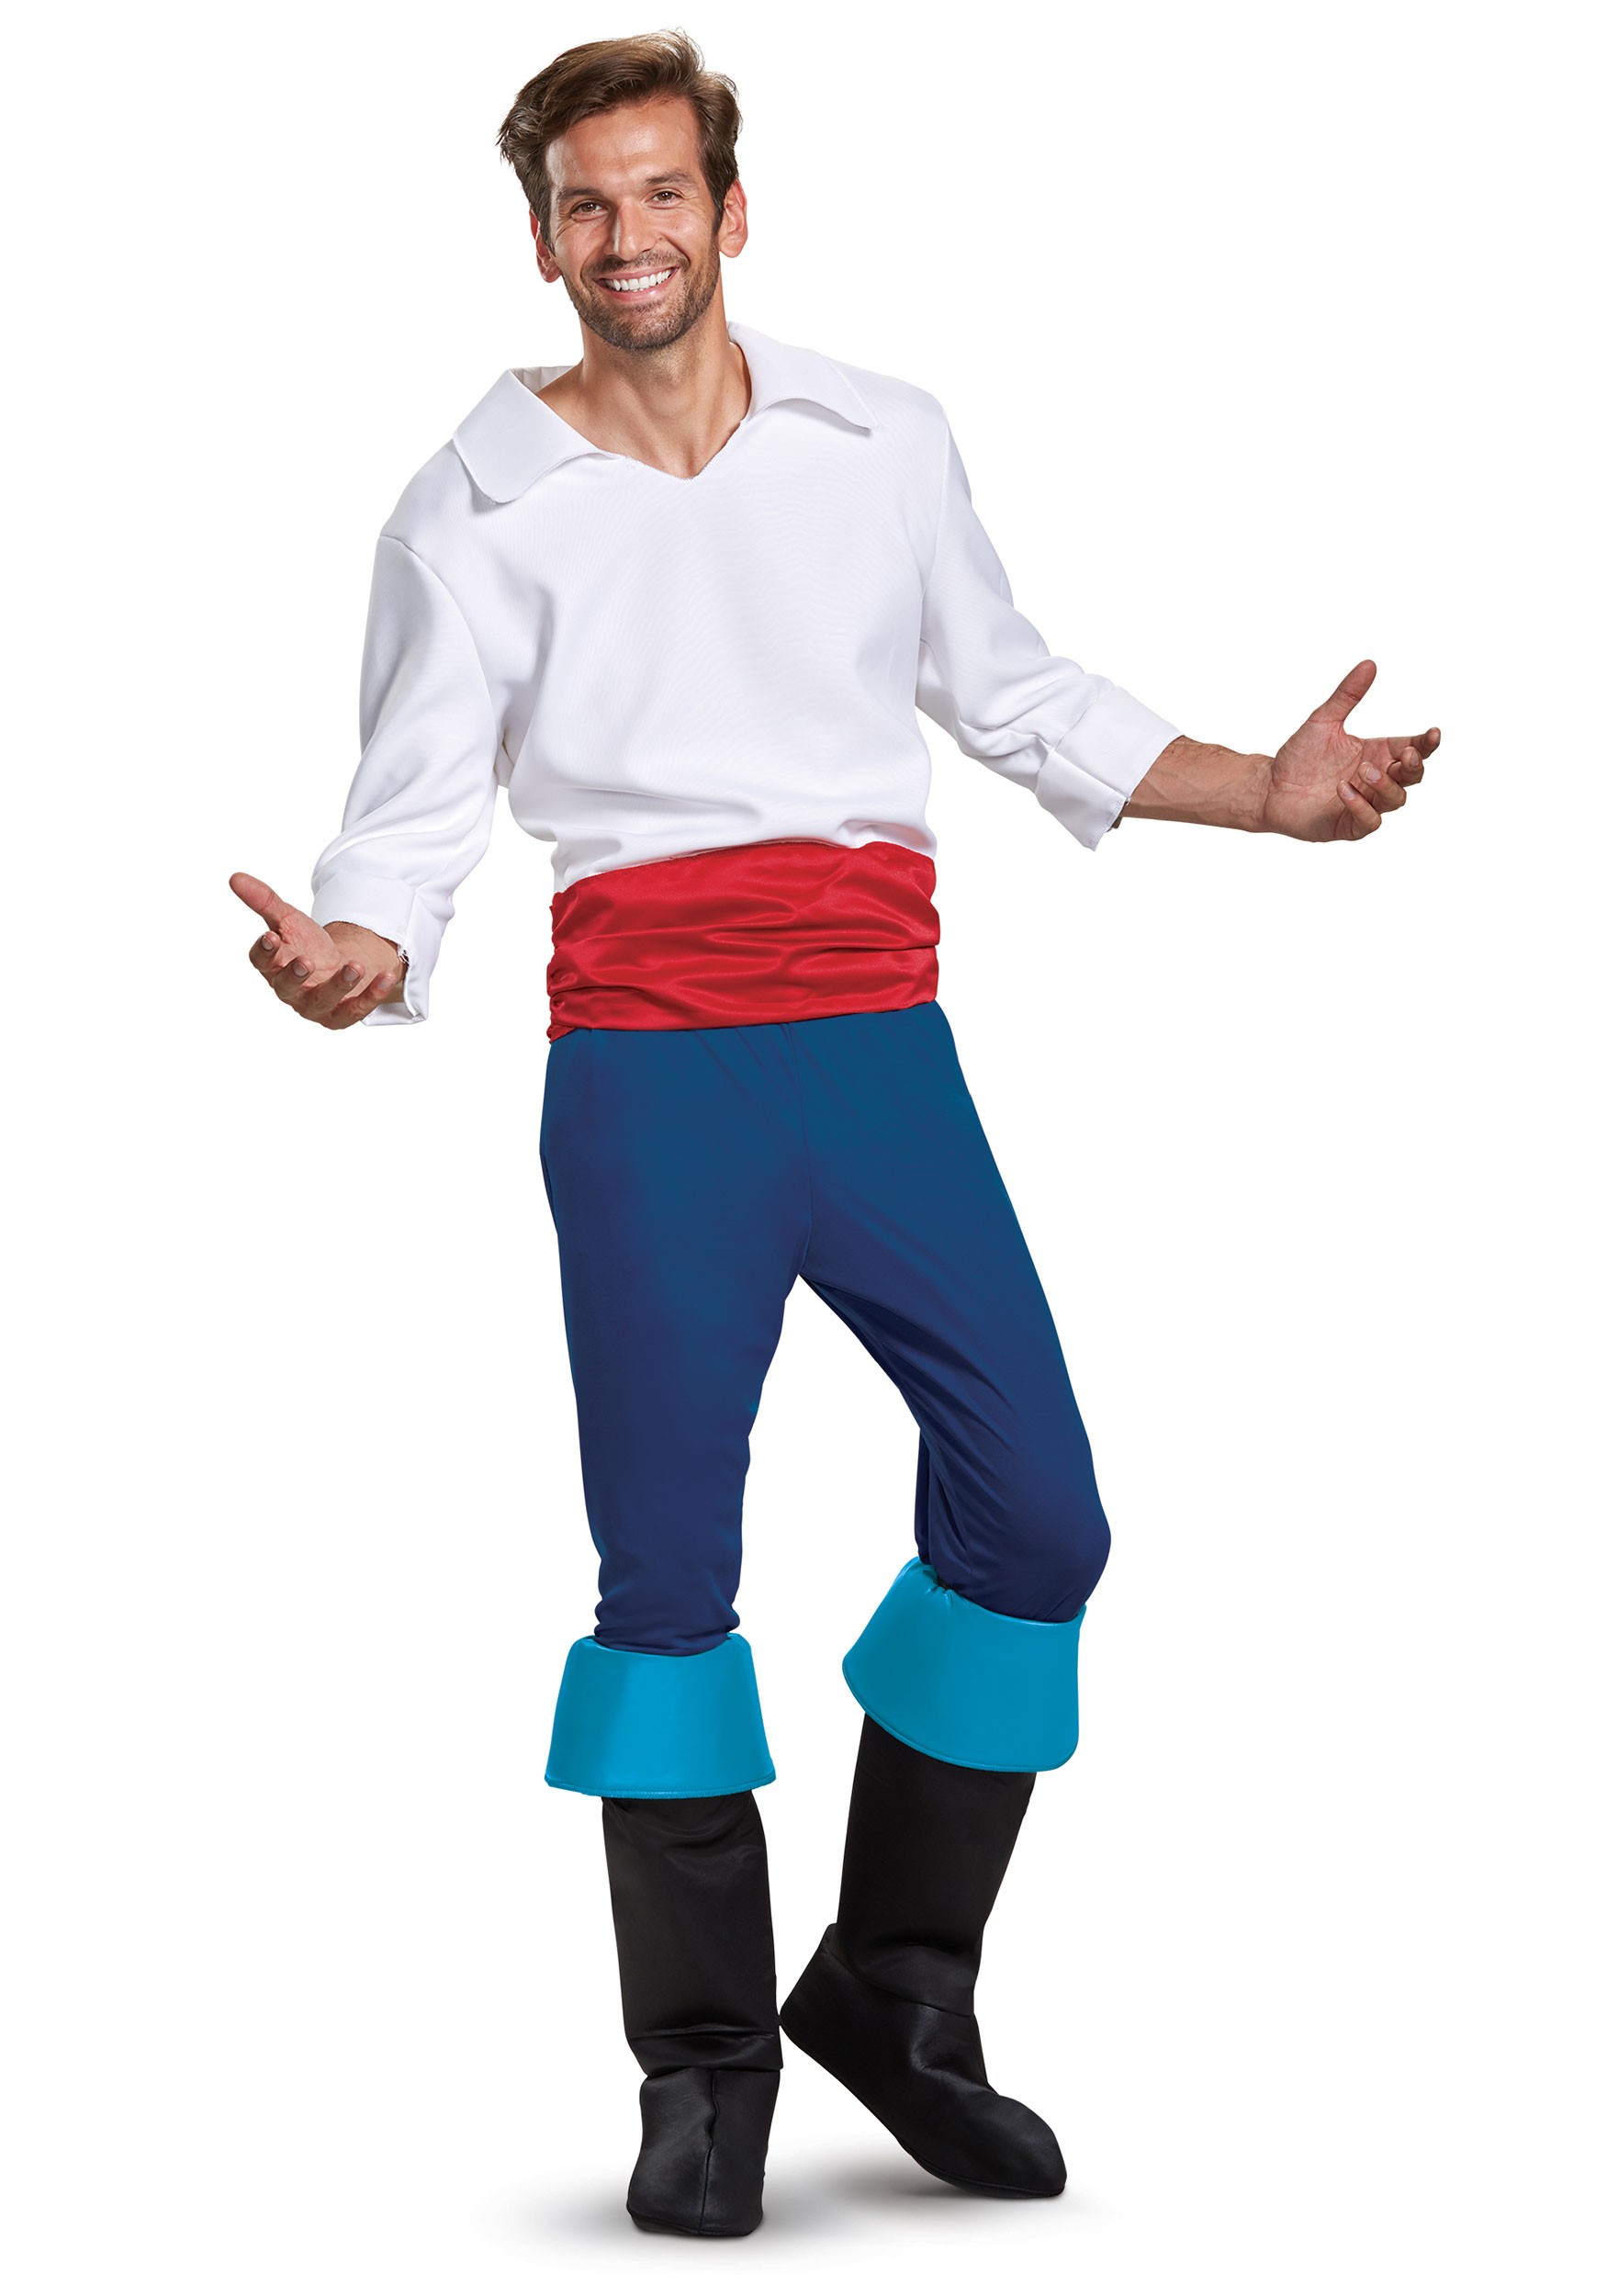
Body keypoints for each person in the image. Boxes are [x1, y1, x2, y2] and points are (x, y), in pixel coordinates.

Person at [230, 30, 1439, 2239]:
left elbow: (1015, 690)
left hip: (879, 1047)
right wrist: (357, 953)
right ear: (540, 242)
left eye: (659, 191)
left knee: (1037, 1509)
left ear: (728, 209)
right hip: (648, 1077)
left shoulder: (881, 437)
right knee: (664, 1576)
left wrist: (1260, 794)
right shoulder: (467, 503)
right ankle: (700, 2065)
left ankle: (893, 1987)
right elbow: (402, 822)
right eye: (584, 205)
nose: (627, 235)